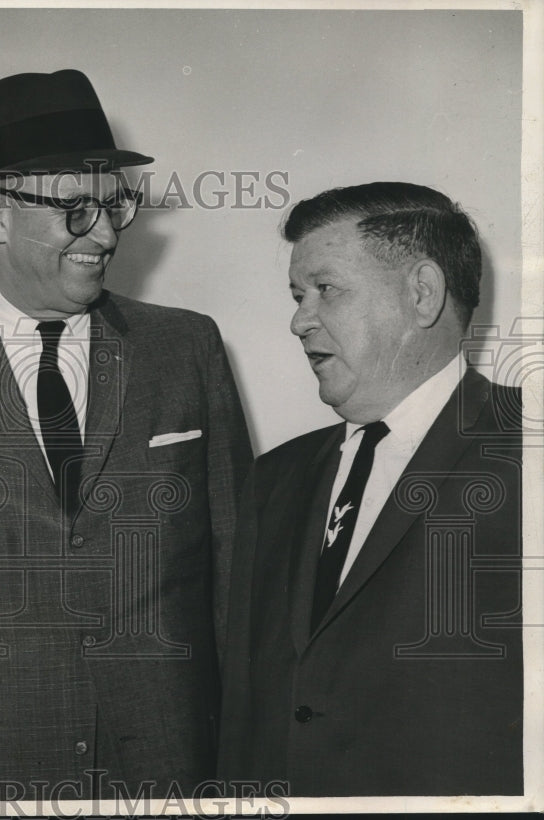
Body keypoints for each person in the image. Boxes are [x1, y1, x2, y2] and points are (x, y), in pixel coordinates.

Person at [0, 69, 252, 799]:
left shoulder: (187, 349)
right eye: (75, 211)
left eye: (114, 206)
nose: (104, 234)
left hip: (171, 767)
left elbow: (236, 575)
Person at [218, 182, 523, 796]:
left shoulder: (529, 451)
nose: (299, 320)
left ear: (422, 293)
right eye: (298, 295)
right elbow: (245, 714)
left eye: (325, 290)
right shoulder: (273, 479)